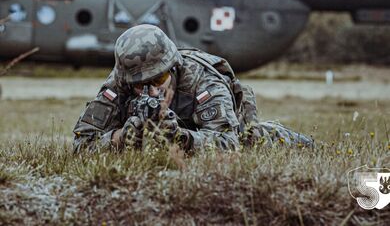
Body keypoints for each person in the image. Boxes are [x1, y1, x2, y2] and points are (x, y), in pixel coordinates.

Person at [73, 25, 313, 153]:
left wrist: (182, 139)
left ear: (173, 68)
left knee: (253, 138)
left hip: (230, 124)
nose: (151, 92)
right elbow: (81, 145)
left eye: (158, 80)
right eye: (140, 85)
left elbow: (228, 143)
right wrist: (119, 139)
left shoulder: (204, 80)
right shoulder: (120, 81)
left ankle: (306, 143)